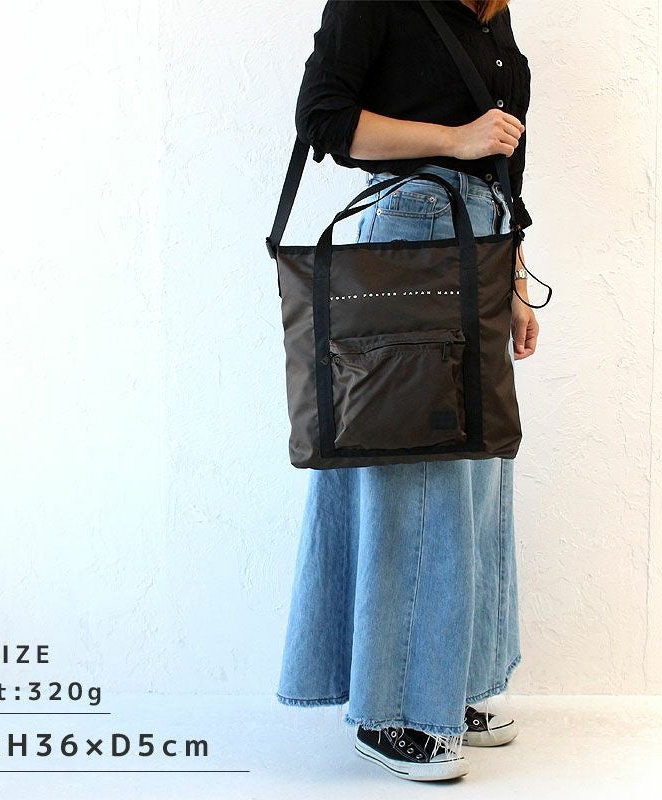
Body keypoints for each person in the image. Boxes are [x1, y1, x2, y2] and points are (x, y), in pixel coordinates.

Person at [275, 0, 539, 783]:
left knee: (475, 469)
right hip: (413, 237)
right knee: (414, 469)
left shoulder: (494, 15)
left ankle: (444, 687)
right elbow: (324, 118)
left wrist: (516, 281)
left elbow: (505, 164)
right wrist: (454, 140)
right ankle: (392, 710)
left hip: (481, 244)